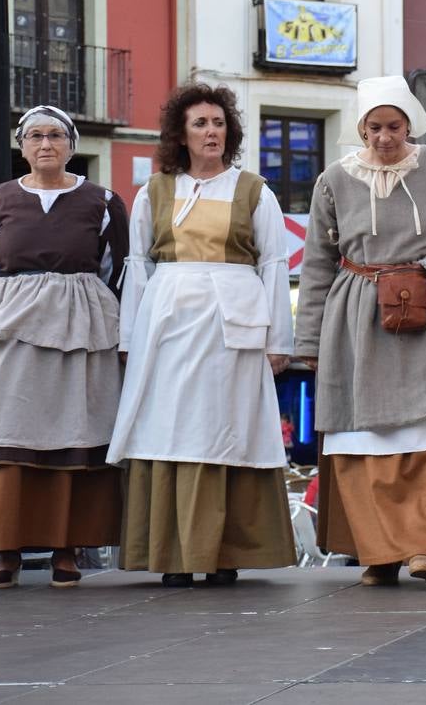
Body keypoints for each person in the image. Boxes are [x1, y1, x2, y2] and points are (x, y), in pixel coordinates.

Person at [295, 75, 426, 587]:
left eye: (393, 126)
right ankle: (377, 552)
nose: (384, 137)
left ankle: (425, 548)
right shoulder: (333, 181)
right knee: (360, 440)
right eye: (374, 128)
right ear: (361, 128)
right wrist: (309, 341)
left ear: (409, 124)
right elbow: (319, 264)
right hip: (355, 317)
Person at [109, 83, 295, 587]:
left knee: (224, 426)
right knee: (168, 425)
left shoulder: (255, 190)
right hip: (167, 321)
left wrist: (280, 338)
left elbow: (275, 265)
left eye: (218, 123)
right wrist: (130, 334)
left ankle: (222, 550)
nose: (211, 131)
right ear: (181, 134)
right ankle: (170, 551)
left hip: (230, 321)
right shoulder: (155, 191)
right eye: (200, 124)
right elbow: (138, 264)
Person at [0, 105, 128, 589]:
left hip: (82, 327)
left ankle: (67, 551)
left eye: (54, 136)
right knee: (8, 433)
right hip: (14, 327)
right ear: (21, 146)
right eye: (34, 137)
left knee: (76, 432)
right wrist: (11, 307)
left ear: (71, 145)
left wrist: (82, 308)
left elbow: (115, 270)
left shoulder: (104, 202)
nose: (45, 145)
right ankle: (6, 549)